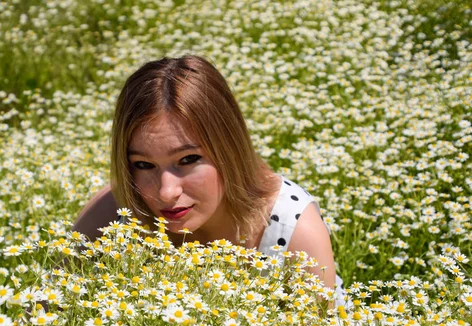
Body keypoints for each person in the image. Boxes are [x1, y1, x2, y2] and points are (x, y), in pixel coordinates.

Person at [74, 55, 344, 305]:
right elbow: (42, 323)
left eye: (188, 159)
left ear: (229, 149)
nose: (167, 192)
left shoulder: (293, 232)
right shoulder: (114, 214)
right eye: (144, 165)